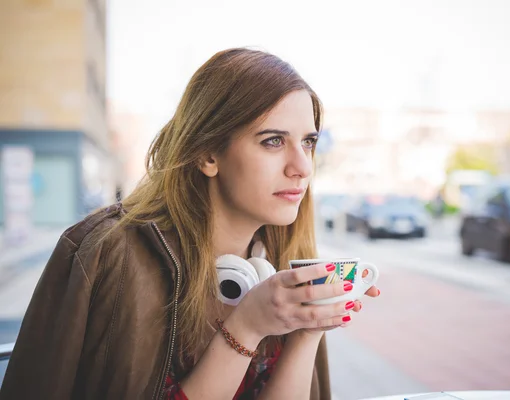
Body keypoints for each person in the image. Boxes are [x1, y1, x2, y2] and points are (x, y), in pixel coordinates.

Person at [0, 48, 380, 400]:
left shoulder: (283, 257)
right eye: (273, 141)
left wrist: (307, 329)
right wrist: (245, 328)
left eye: (309, 142)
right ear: (207, 154)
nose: (302, 167)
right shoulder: (109, 251)